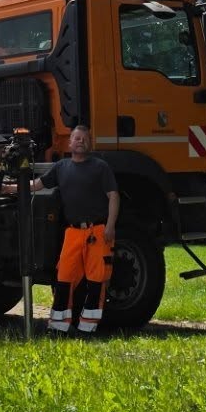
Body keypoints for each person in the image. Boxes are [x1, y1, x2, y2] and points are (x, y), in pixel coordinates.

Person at [33, 124, 120, 334]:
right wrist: (11, 187)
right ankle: (58, 326)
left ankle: (87, 329)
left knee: (96, 280)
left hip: (97, 232)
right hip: (72, 233)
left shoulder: (100, 167)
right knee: (64, 277)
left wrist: (110, 227)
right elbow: (38, 184)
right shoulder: (61, 167)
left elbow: (113, 197)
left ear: (89, 143)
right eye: (76, 138)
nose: (80, 141)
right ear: (69, 143)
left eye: (84, 138)